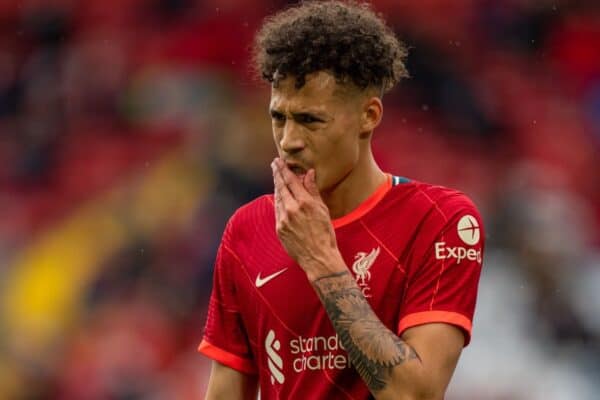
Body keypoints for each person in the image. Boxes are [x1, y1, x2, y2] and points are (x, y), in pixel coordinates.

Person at [198, 1, 484, 399]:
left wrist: (321, 261)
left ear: (369, 115)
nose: (288, 141)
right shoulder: (248, 229)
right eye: (279, 117)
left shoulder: (441, 220)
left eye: (310, 120)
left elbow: (414, 395)